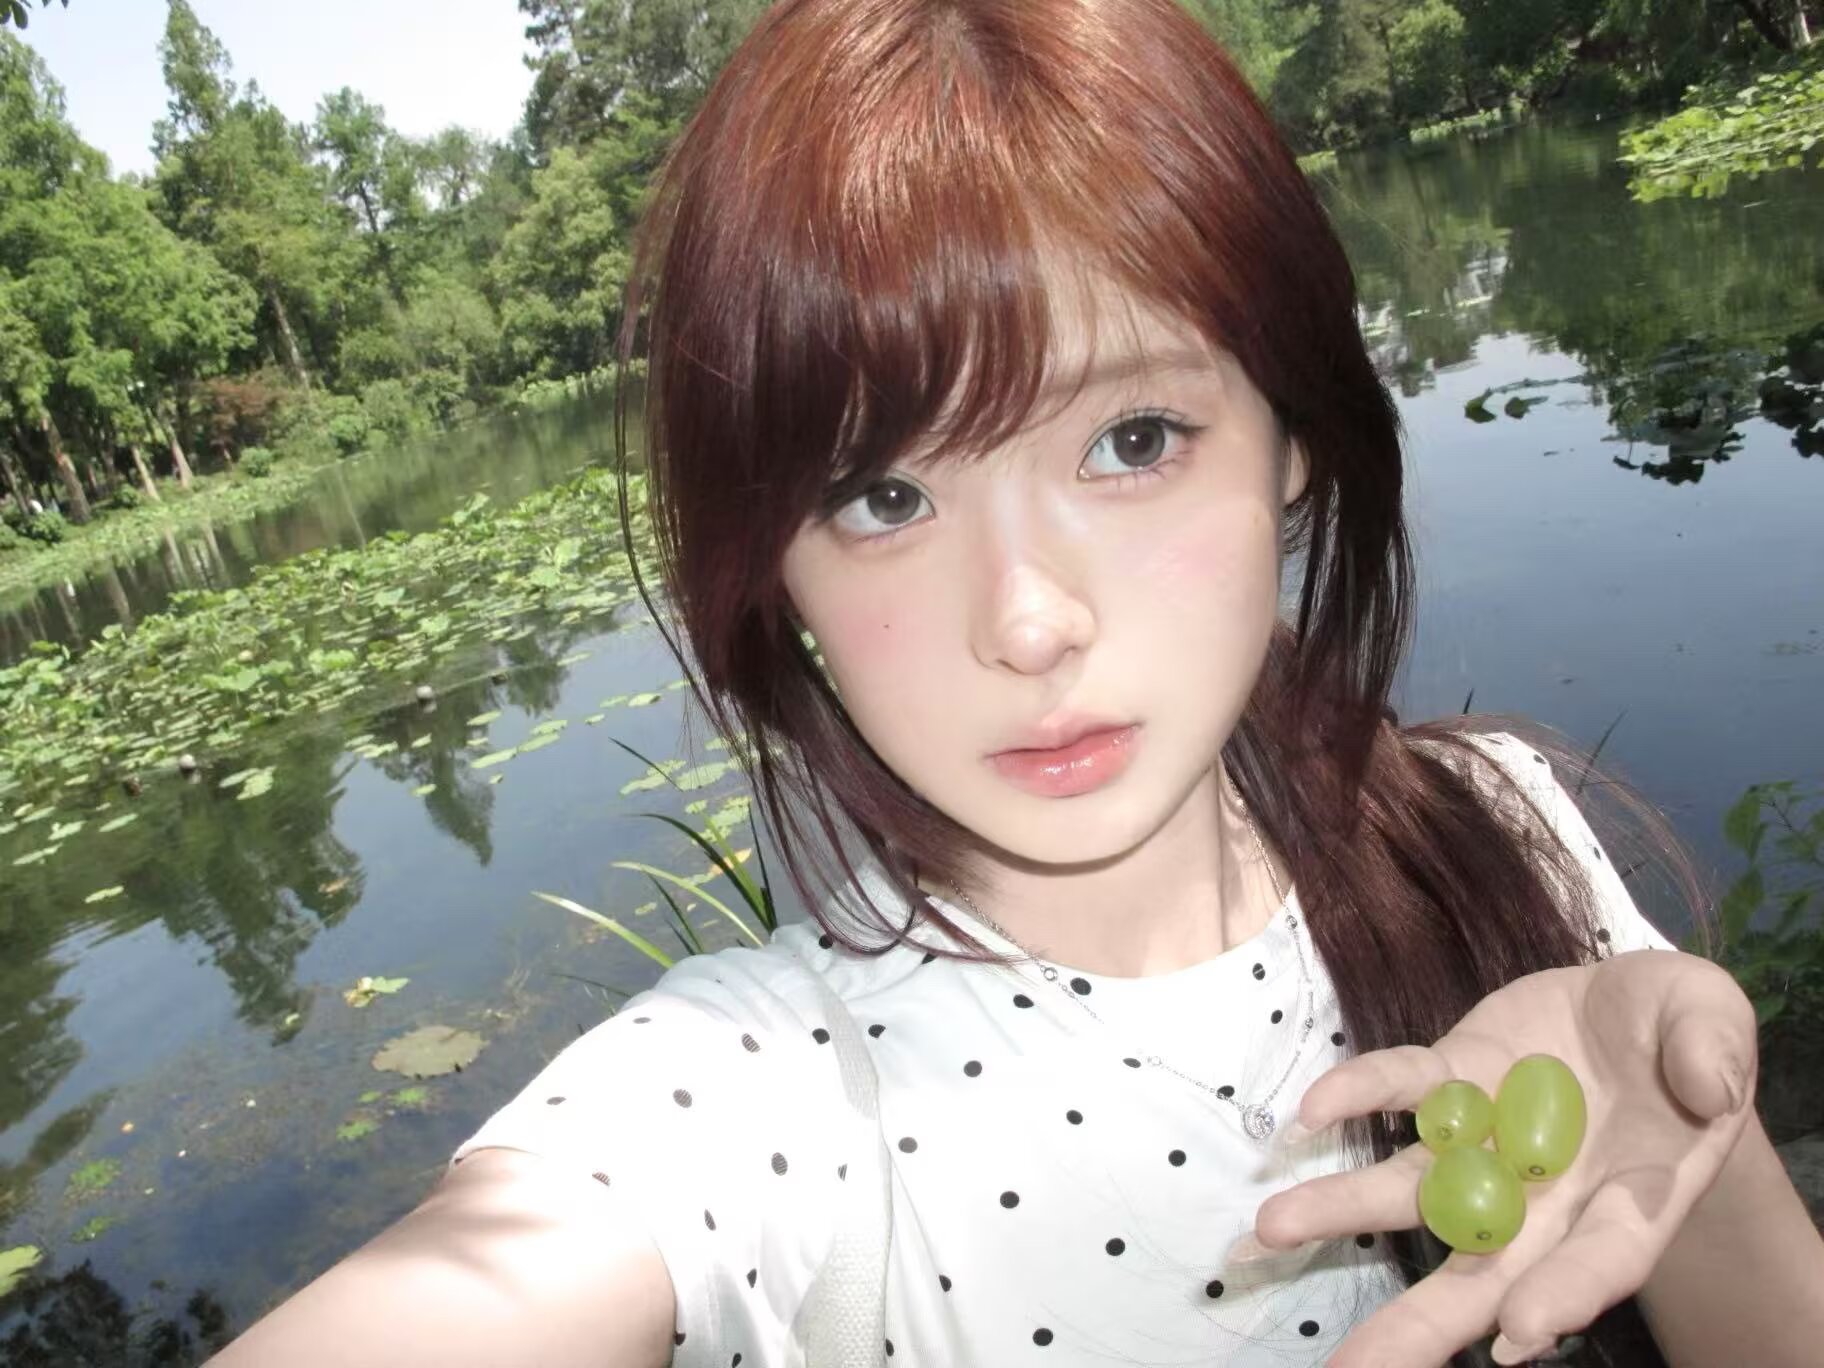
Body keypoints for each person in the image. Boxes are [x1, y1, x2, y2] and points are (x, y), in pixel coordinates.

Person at [207, 2, 1824, 1365]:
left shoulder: (1494, 827)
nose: (1030, 624)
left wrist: (1710, 1152)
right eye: (882, 497)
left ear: (1293, 439)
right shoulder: (767, 1102)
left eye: (1134, 440)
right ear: (777, 565)